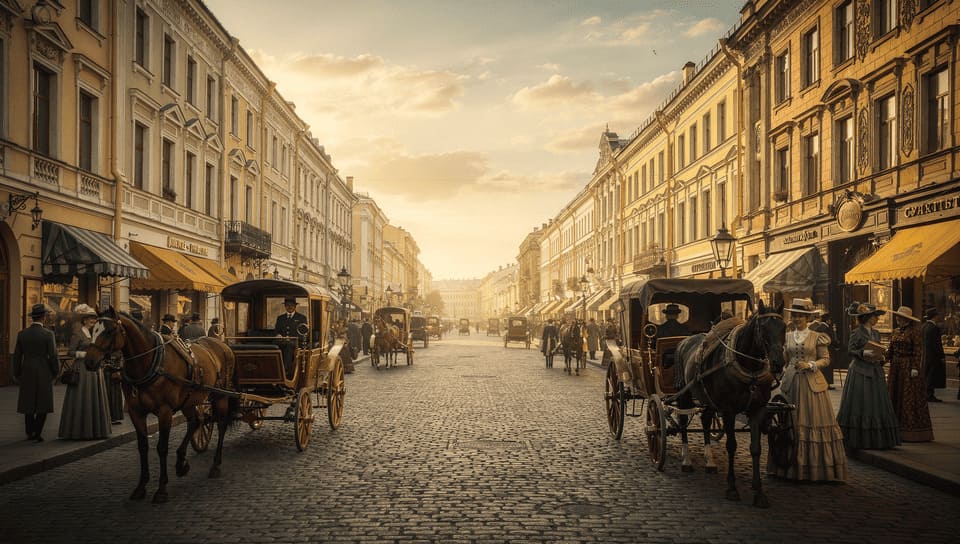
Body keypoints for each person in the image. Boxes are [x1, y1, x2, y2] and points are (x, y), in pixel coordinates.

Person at [770, 298, 846, 482]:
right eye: (794, 315)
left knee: (811, 421)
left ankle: (815, 469)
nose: (797, 319)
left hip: (812, 386)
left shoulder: (816, 336)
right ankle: (786, 468)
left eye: (800, 316)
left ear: (807, 317)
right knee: (789, 424)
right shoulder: (787, 336)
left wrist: (811, 364)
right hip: (791, 385)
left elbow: (826, 359)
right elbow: (785, 360)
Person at [837, 302, 900, 450]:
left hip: (875, 370)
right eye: (874, 316)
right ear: (866, 317)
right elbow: (850, 350)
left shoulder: (876, 333)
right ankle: (857, 438)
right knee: (861, 401)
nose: (876, 319)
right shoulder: (856, 332)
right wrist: (862, 353)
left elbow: (878, 348)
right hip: (860, 371)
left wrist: (881, 356)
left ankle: (878, 438)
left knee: (876, 401)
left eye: (876, 316)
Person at [59, 304, 112, 440]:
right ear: (84, 320)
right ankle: (79, 430)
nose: (93, 321)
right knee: (83, 397)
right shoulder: (77, 334)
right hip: (82, 369)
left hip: (95, 369)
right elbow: (70, 352)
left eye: (94, 319)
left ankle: (95, 430)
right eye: (90, 319)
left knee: (94, 397)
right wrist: (85, 354)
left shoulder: (94, 333)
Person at [12, 304, 60, 442]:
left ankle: (29, 431)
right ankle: (37, 432)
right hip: (43, 370)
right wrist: (55, 372)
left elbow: (17, 356)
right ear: (44, 318)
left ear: (32, 318)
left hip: (27, 370)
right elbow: (53, 355)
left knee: (28, 402)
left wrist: (16, 373)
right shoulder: (48, 334)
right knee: (43, 402)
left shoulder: (22, 334)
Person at [886, 306, 933, 442]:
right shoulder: (894, 331)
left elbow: (918, 351)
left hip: (908, 367)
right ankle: (894, 429)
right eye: (896, 316)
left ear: (905, 319)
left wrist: (915, 367)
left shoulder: (914, 332)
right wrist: (881, 360)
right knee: (894, 395)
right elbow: (890, 350)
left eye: (899, 317)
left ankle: (910, 431)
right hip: (895, 368)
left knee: (908, 397)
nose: (897, 319)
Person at [274, 297, 307, 376]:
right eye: (287, 305)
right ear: (285, 306)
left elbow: (303, 332)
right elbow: (277, 330)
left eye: (291, 305)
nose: (290, 307)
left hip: (296, 342)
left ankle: (286, 371)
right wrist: (278, 335)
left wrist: (291, 338)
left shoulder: (301, 318)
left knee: (288, 347)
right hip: (282, 341)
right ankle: (273, 369)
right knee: (273, 346)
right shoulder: (280, 318)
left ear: (295, 306)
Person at [809, 310, 841, 389]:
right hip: (828, 350)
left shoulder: (818, 328)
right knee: (828, 367)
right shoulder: (826, 328)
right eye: (830, 320)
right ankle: (827, 383)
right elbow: (831, 340)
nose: (830, 322)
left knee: (824, 368)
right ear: (827, 320)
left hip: (820, 350)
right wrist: (837, 344)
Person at [921, 307, 946, 403]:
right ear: (935, 317)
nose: (939, 317)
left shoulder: (923, 326)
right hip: (933, 356)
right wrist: (941, 356)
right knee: (931, 376)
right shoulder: (934, 328)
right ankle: (929, 395)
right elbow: (937, 344)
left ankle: (926, 394)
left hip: (925, 355)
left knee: (927, 375)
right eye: (938, 315)